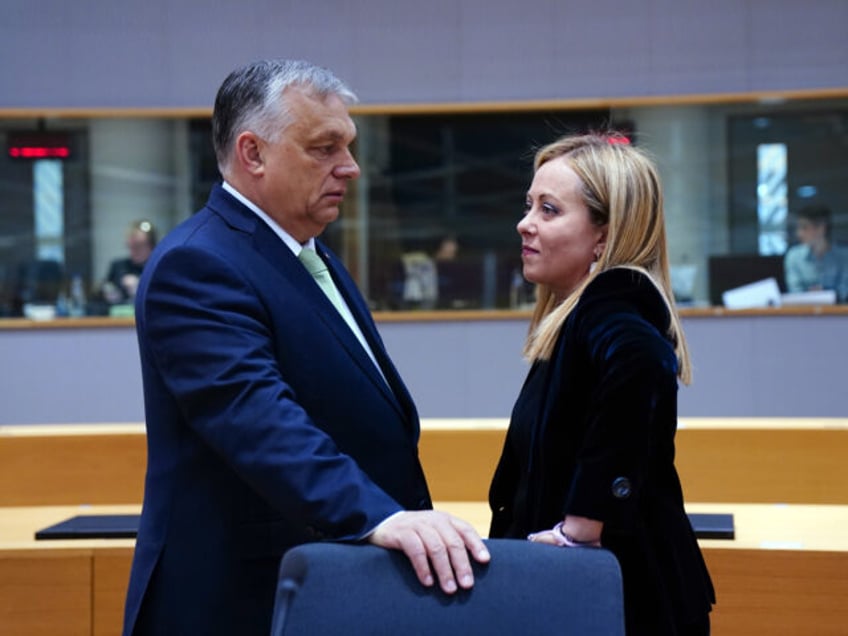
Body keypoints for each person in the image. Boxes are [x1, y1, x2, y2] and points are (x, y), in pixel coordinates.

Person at [122, 59, 489, 636]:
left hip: (325, 583)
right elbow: (257, 418)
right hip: (241, 599)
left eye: (348, 146)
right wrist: (379, 516)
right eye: (324, 148)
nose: (352, 167)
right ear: (253, 154)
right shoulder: (197, 264)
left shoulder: (308, 252)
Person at [488, 133, 715, 635]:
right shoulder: (583, 313)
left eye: (549, 210)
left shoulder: (610, 304)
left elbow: (643, 360)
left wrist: (583, 527)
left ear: (603, 237)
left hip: (623, 605)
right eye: (529, 206)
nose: (524, 224)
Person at [784, 204, 848, 302]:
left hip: (838, 314)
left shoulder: (844, 256)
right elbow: (794, 292)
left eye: (804, 227)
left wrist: (824, 293)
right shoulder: (793, 256)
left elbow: (844, 291)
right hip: (804, 312)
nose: (799, 233)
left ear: (821, 228)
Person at [101, 219, 157, 304]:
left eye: (138, 246)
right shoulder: (118, 266)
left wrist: (140, 286)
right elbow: (104, 288)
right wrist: (109, 293)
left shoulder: (157, 268)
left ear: (151, 246)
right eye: (130, 246)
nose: (133, 250)